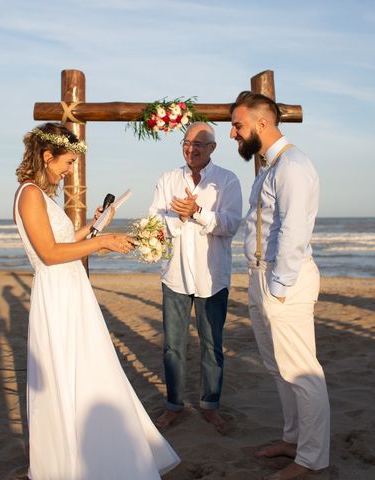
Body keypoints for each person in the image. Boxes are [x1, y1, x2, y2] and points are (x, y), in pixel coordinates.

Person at [13, 122, 179, 479]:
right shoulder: (29, 193)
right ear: (47, 156)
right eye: (68, 162)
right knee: (70, 371)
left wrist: (95, 228)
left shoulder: (42, 196)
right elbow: (49, 253)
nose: (71, 170)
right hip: (57, 294)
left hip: (70, 289)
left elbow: (64, 242)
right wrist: (103, 243)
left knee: (88, 366)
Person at [229, 92, 330, 480]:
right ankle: (294, 439)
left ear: (262, 124)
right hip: (260, 276)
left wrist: (280, 286)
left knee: (302, 371)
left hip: (282, 279)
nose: (234, 134)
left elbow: (293, 231)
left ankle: (311, 458)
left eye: (238, 126)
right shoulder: (270, 168)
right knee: (277, 367)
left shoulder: (292, 166)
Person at [148, 122, 242, 430]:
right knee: (173, 346)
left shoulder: (227, 180)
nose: (191, 149)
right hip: (174, 276)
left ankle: (210, 404)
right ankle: (174, 404)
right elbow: (154, 222)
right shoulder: (167, 179)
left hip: (212, 278)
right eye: (186, 143)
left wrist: (197, 212)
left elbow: (230, 224)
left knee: (212, 345)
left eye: (198, 144)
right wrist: (180, 217)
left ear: (212, 148)